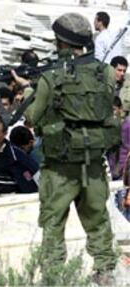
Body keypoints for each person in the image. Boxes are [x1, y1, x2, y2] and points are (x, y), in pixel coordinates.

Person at [15, 13, 119, 284]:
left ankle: (54, 278)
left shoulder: (51, 78)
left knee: (53, 226)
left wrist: (30, 92)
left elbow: (32, 118)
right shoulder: (105, 72)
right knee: (98, 223)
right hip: (94, 163)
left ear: (60, 42)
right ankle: (106, 274)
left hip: (59, 167)